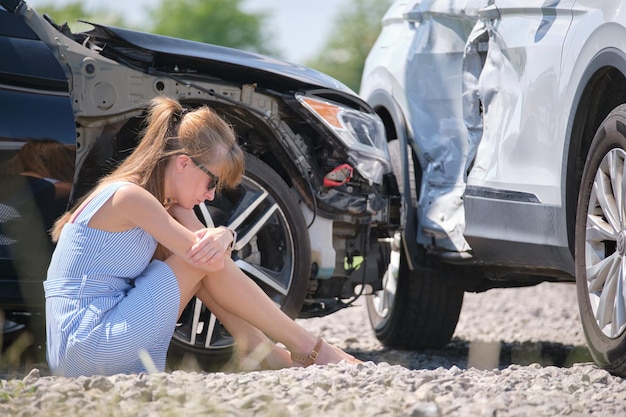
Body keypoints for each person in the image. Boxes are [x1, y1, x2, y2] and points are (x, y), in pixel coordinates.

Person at [44, 96, 360, 377]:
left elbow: (211, 253)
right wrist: (223, 236)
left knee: (202, 259)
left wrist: (224, 235)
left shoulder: (158, 203)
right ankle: (306, 347)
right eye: (211, 183)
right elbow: (206, 255)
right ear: (183, 163)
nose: (210, 196)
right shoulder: (129, 197)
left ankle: (266, 350)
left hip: (79, 347)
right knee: (200, 259)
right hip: (89, 343)